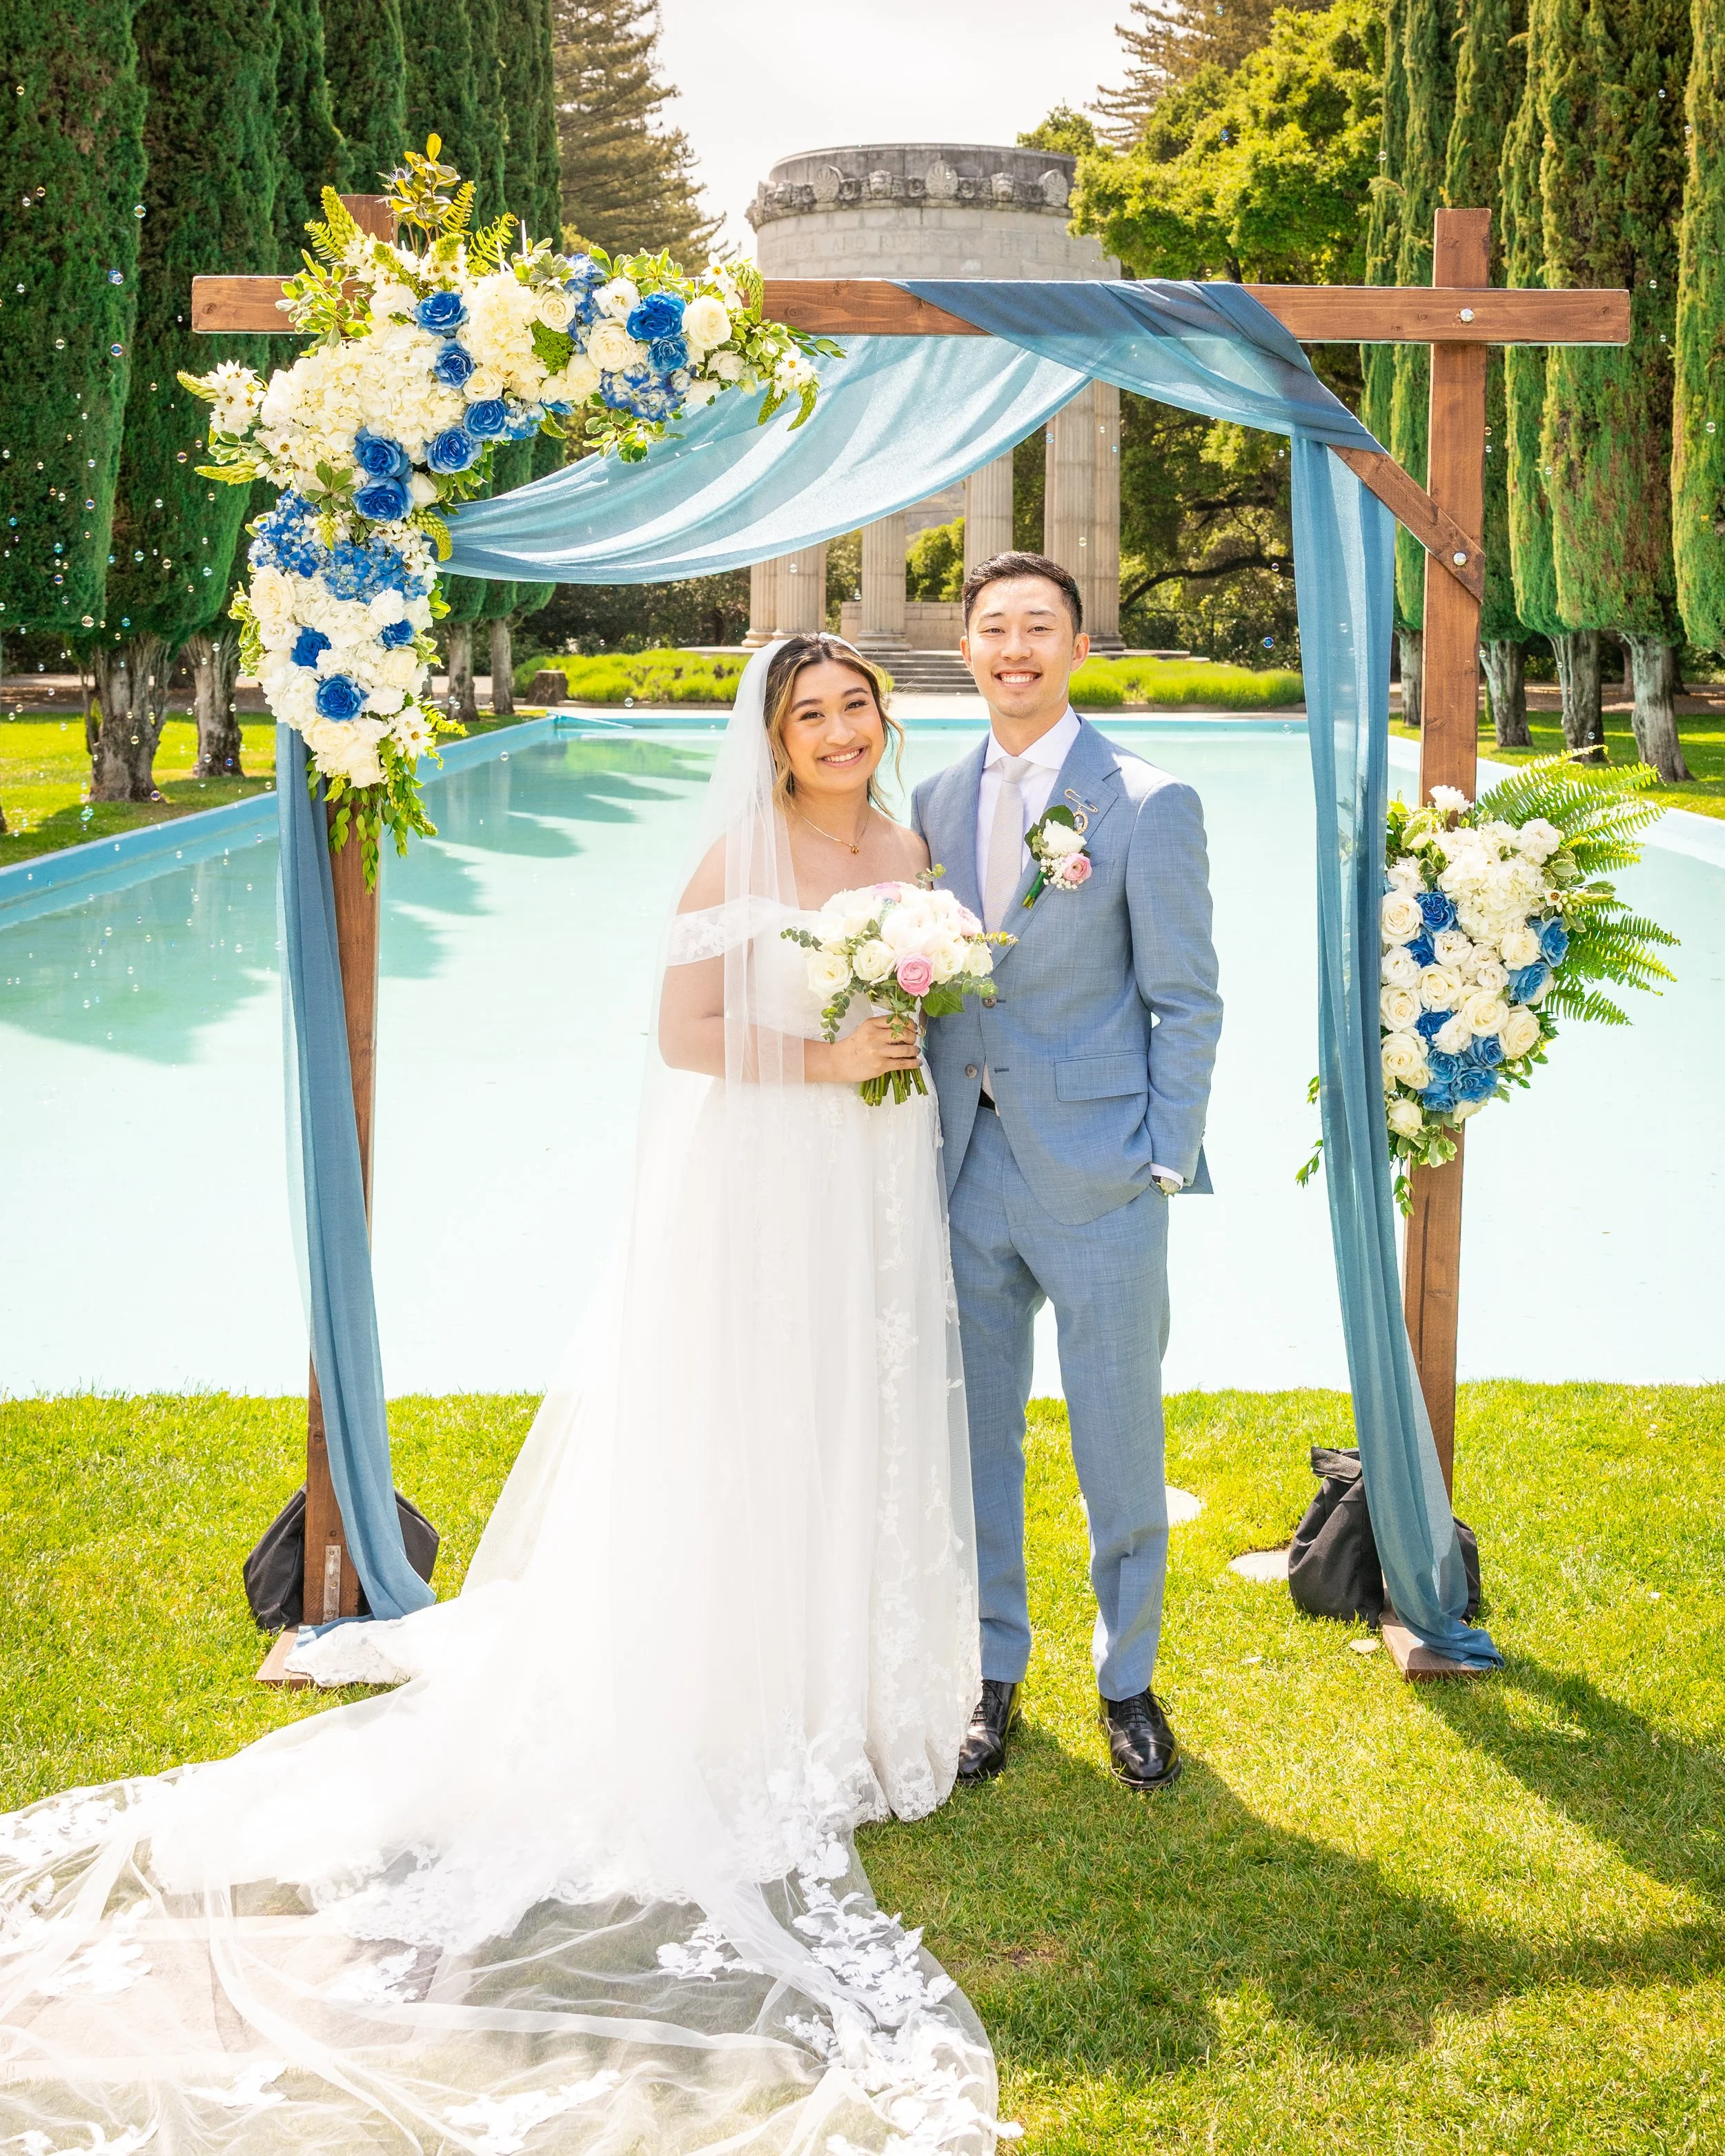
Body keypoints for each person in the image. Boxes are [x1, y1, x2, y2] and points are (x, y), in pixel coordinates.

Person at [0, 637, 996, 2154]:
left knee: (852, 1415)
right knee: (755, 1428)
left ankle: (847, 1683)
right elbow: (680, 1034)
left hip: (875, 1171)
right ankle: (742, 1687)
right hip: (774, 1171)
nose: (842, 729)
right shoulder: (742, 847)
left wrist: (894, 1040)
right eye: (813, 714)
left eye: (857, 705)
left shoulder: (910, 841)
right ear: (776, 739)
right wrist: (826, 1050)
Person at [913, 552, 1222, 1794]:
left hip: (1101, 1175)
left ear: (1077, 648)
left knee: (1117, 1442)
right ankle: (993, 1675)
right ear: (970, 648)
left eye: (1039, 627)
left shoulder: (1149, 800)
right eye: (994, 629)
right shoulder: (929, 801)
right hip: (963, 1169)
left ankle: (1128, 1679)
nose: (1015, 649)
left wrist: (1162, 1158)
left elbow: (1188, 1000)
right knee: (974, 1441)